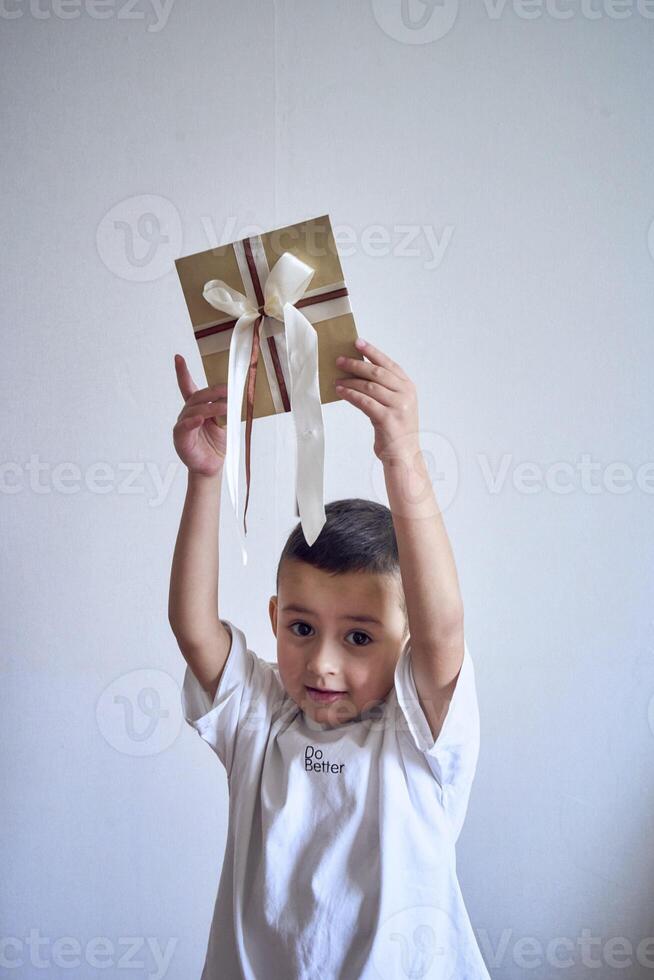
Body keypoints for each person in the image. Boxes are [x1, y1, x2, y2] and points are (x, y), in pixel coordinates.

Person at [169, 337, 491, 980]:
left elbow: (444, 626)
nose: (321, 664)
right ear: (274, 620)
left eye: (360, 638)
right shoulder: (261, 722)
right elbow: (193, 626)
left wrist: (402, 455)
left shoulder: (418, 737)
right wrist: (206, 478)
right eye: (301, 628)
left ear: (406, 641)